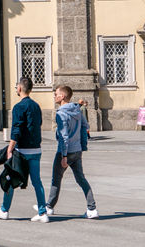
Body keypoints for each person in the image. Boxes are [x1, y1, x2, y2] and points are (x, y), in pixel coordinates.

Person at [0, 77, 49, 223]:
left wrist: (10, 148)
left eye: (16, 86)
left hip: (22, 151)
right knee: (37, 182)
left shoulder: (18, 107)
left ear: (20, 88)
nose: (16, 89)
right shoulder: (36, 106)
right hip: (36, 149)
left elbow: (16, 130)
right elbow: (38, 124)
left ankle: (4, 210)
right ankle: (42, 212)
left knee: (10, 178)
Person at [41, 86, 98, 219]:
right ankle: (92, 208)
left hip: (65, 151)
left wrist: (64, 156)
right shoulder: (77, 109)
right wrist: (79, 141)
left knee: (56, 179)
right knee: (81, 179)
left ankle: (49, 207)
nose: (54, 96)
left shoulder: (61, 113)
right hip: (77, 149)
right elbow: (86, 126)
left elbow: (64, 136)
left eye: (56, 94)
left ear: (62, 97)